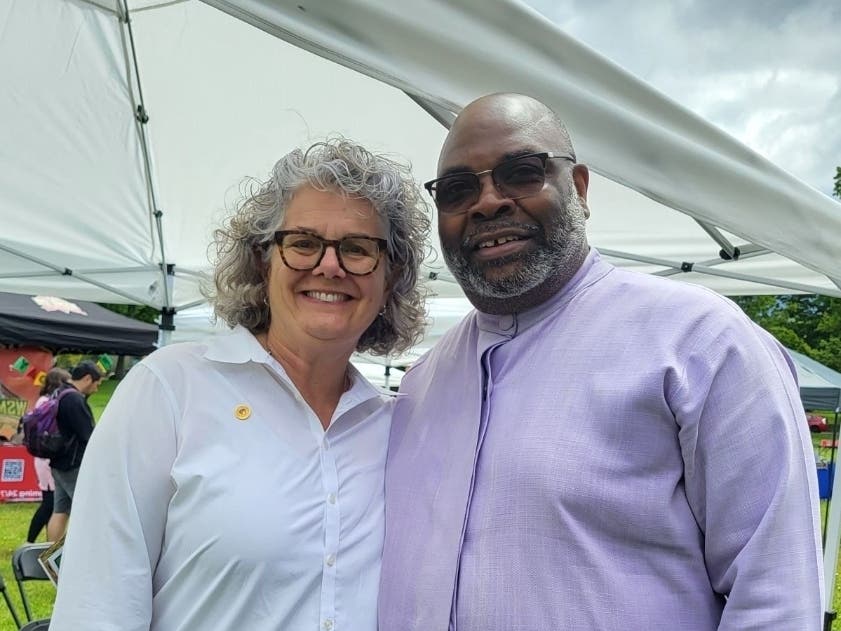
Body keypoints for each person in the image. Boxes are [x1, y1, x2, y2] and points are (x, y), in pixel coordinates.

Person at [379, 93, 823, 630]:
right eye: (457, 189)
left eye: (522, 172)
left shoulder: (700, 343)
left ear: (581, 188)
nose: (487, 202)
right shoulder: (424, 381)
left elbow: (775, 596)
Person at [50, 138, 430, 631]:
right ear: (262, 261)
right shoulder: (169, 390)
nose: (330, 265)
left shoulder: (397, 425)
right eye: (303, 243)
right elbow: (96, 609)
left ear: (390, 276)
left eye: (358, 249)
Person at [47, 360, 102, 541]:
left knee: (60, 510)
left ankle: (50, 553)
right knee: (88, 510)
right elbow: (88, 435)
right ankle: (86, 549)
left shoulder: (59, 392)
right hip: (73, 464)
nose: (97, 389)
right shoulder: (75, 399)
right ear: (87, 379)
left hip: (57, 461)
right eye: (97, 383)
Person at [25, 367, 70, 543]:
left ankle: (48, 541)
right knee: (49, 504)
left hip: (45, 458)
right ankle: (31, 541)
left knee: (51, 504)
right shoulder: (48, 402)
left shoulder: (44, 400)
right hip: (47, 459)